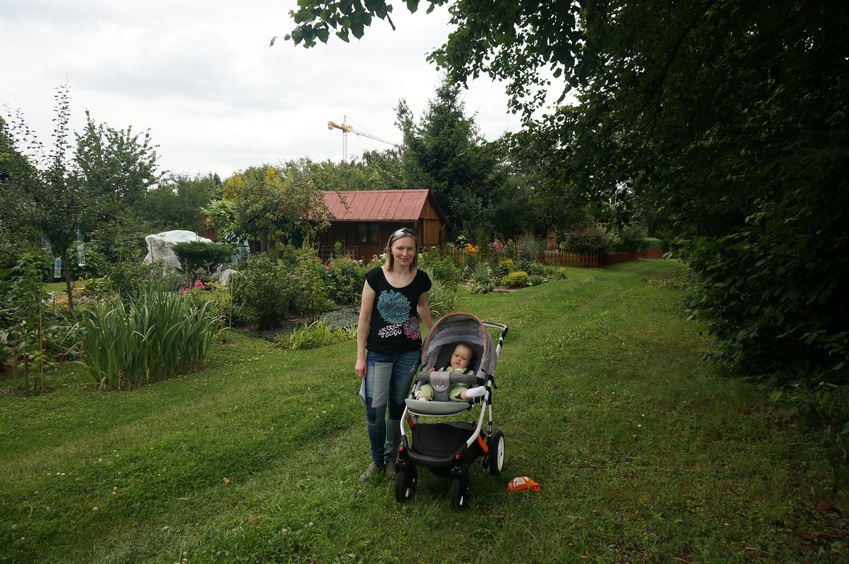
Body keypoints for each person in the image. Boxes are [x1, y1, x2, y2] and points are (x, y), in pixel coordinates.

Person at [355, 228, 434, 481]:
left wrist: (435, 335)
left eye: (410, 248)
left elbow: (421, 305)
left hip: (409, 353)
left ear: (415, 252)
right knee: (375, 410)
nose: (405, 253)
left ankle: (391, 458)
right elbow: (364, 319)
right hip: (379, 353)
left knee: (398, 406)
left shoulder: (420, 278)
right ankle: (376, 459)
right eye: (400, 248)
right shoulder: (376, 276)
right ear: (390, 248)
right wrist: (360, 356)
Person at [416, 342, 487, 401]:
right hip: (437, 387)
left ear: (468, 363)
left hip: (455, 388)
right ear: (451, 356)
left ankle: (469, 394)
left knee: (460, 392)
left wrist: (468, 383)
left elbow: (470, 382)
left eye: (463, 358)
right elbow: (435, 378)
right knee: (426, 387)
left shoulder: (469, 372)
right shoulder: (443, 369)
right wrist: (431, 373)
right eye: (456, 356)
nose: (459, 359)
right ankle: (423, 398)